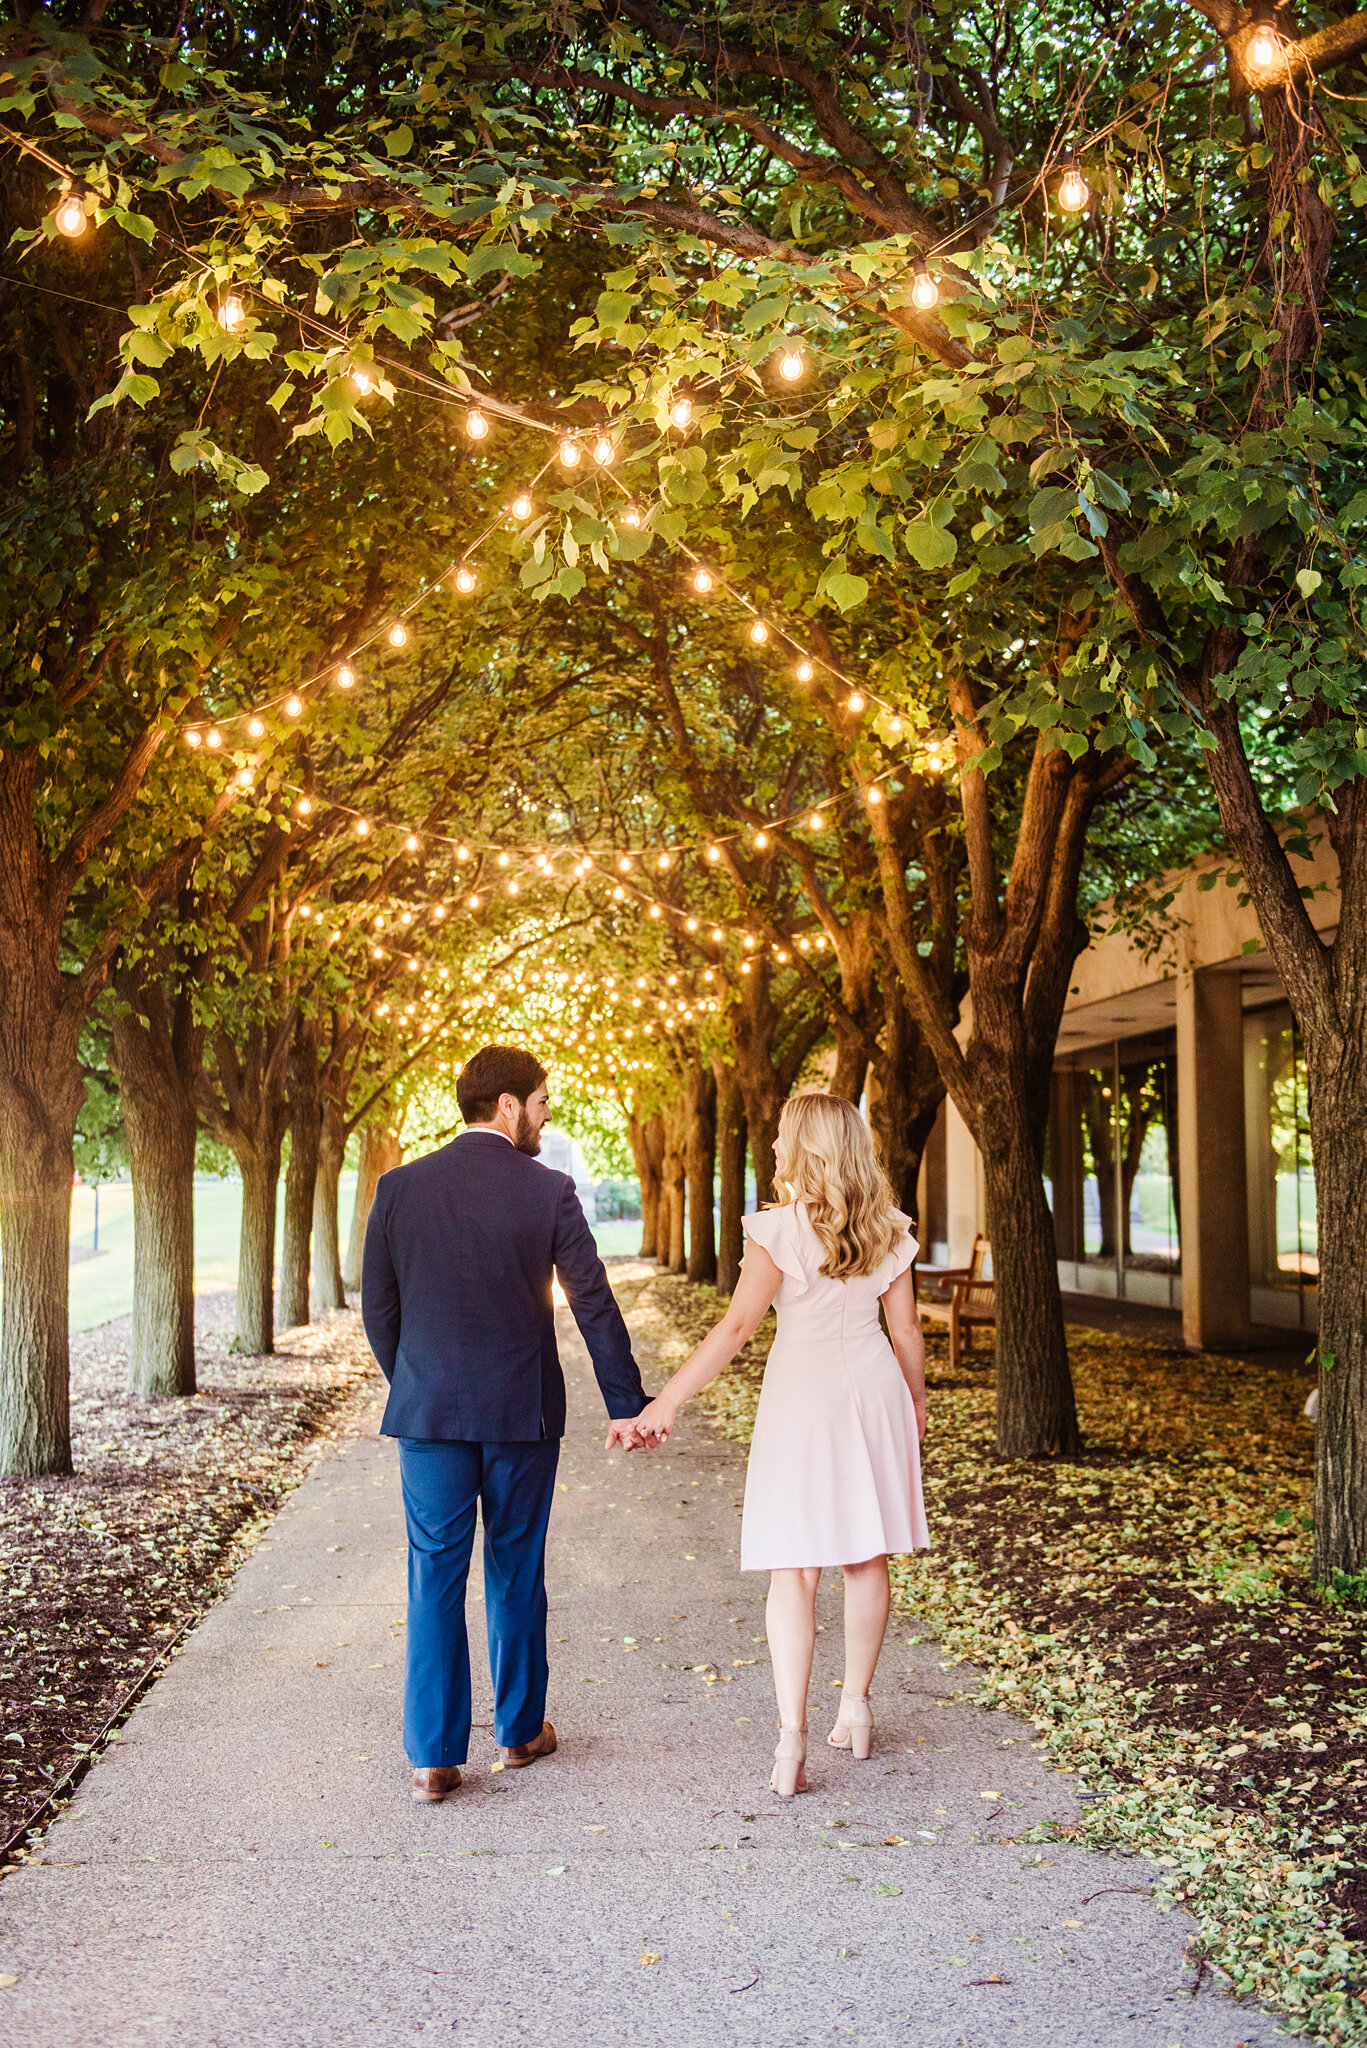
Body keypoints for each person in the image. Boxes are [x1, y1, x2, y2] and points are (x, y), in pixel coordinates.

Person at [609, 1092, 928, 1798]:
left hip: (802, 1397)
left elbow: (735, 1330)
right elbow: (905, 1332)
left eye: (783, 1138)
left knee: (796, 1569)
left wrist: (665, 1403)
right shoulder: (890, 1230)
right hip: (872, 1387)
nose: (776, 1149)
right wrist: (913, 1402)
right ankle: (857, 1706)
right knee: (865, 1554)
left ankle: (791, 1742)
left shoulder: (777, 1232)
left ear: (806, 1147)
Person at [362, 1044, 651, 1803]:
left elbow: (379, 1310)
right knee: (516, 1567)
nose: (547, 1115)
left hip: (429, 1414)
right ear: (507, 1104)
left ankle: (431, 1758)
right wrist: (625, 1401)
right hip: (521, 1412)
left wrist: (419, 1384)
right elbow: (591, 1300)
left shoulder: (398, 1189)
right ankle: (520, 1732)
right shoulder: (548, 1192)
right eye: (542, 1101)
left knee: (434, 1573)